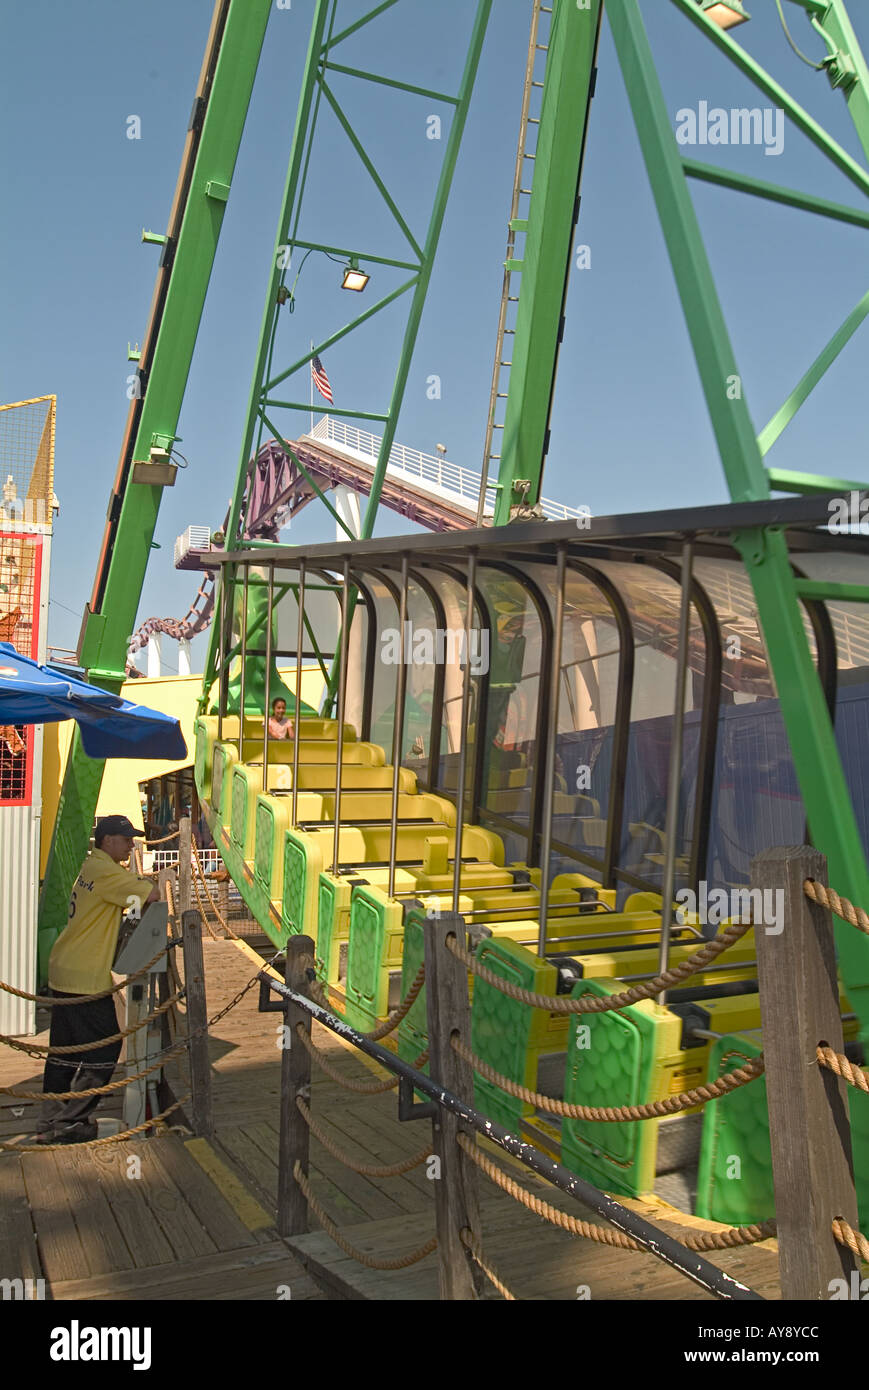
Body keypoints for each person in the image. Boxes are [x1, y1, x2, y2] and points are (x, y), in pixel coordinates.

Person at [36, 815, 159, 1145]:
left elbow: (130, 899)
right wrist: (168, 879)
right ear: (107, 841)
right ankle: (71, 1121)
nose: (132, 844)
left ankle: (51, 1116)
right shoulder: (107, 872)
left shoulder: (92, 867)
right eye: (126, 839)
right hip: (85, 976)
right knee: (105, 1049)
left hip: (65, 967)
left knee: (66, 1050)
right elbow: (152, 896)